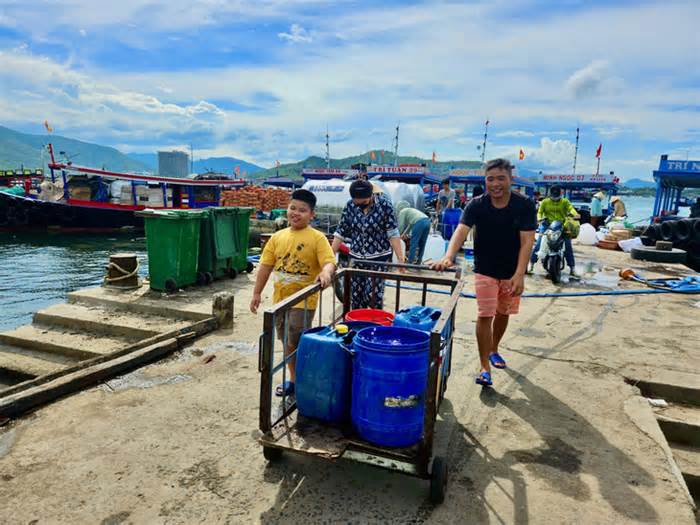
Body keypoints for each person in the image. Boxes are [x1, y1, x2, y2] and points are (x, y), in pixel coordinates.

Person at [431, 158, 536, 387]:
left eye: (501, 178)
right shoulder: (477, 204)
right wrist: (449, 256)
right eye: (490, 179)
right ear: (485, 181)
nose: (495, 184)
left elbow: (527, 241)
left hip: (511, 270)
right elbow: (461, 230)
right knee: (485, 314)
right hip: (485, 268)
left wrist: (520, 274)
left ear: (511, 179)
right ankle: (484, 367)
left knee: (503, 312)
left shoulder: (524, 205)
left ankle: (494, 349)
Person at [250, 189, 336, 397]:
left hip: (303, 301)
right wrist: (256, 293)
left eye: (303, 210)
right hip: (280, 301)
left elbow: (329, 261)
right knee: (285, 340)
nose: (296, 213)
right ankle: (295, 379)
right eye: (292, 208)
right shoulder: (277, 237)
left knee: (294, 340)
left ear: (312, 215)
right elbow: (265, 266)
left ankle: (300, 381)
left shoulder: (317, 238)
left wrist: (325, 272)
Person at [332, 179, 404, 309]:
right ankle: (359, 324)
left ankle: (373, 324)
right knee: (356, 296)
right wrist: (331, 257)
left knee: (372, 296)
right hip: (357, 258)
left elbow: (392, 232)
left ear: (371, 195)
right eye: (357, 203)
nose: (360, 206)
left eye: (364, 202)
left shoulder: (384, 205)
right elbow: (340, 231)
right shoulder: (350, 206)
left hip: (379, 259)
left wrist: (400, 258)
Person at [529, 185, 580, 277]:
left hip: (562, 225)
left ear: (561, 194)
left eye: (557, 196)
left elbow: (571, 209)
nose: (555, 198)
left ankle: (572, 269)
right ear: (550, 194)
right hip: (547, 225)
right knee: (539, 244)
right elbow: (540, 212)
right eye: (553, 196)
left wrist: (575, 214)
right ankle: (531, 264)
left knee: (568, 246)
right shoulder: (545, 202)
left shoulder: (565, 201)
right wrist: (539, 218)